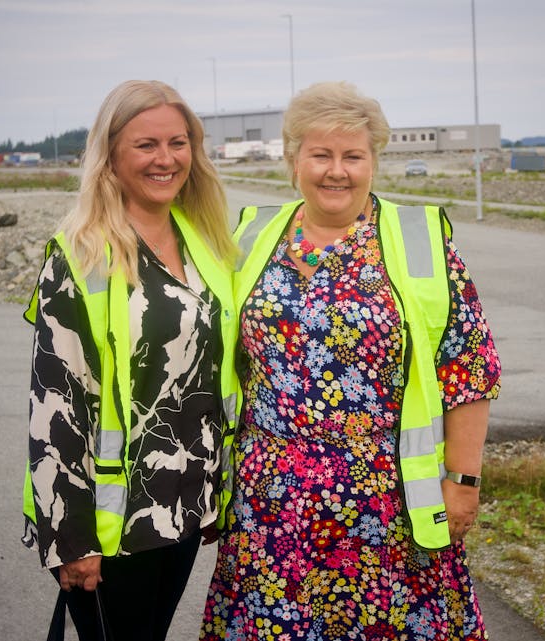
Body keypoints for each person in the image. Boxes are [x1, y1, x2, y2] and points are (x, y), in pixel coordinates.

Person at [201, 81, 502, 640]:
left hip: (386, 503)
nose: (335, 171)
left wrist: (462, 481)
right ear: (294, 160)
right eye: (320, 154)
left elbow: (468, 368)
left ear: (374, 162)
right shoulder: (249, 236)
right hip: (271, 504)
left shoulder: (419, 243)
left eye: (352, 156)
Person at [21, 79, 240, 641]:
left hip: (185, 508)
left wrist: (216, 488)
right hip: (110, 522)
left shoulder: (205, 242)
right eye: (146, 145)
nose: (165, 159)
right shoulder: (81, 253)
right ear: (112, 155)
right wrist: (69, 538)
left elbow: (211, 380)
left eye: (178, 142)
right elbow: (56, 402)